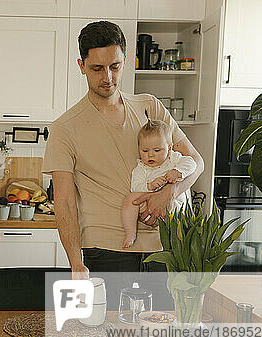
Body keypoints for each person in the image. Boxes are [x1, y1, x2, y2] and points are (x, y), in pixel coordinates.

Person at [42, 21, 204, 309]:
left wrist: (168, 193)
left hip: (165, 245)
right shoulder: (64, 128)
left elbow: (197, 162)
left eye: (115, 66)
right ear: (81, 65)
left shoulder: (150, 107)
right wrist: (76, 265)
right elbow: (64, 203)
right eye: (97, 68)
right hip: (104, 251)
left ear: (125, 61)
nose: (107, 77)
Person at [122, 119, 197, 249]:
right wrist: (149, 186)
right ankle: (130, 233)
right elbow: (135, 187)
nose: (150, 155)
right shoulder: (141, 168)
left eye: (157, 150)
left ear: (168, 149)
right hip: (148, 204)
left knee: (174, 223)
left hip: (173, 206)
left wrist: (177, 172)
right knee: (130, 199)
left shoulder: (173, 159)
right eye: (145, 151)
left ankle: (174, 240)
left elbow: (192, 163)